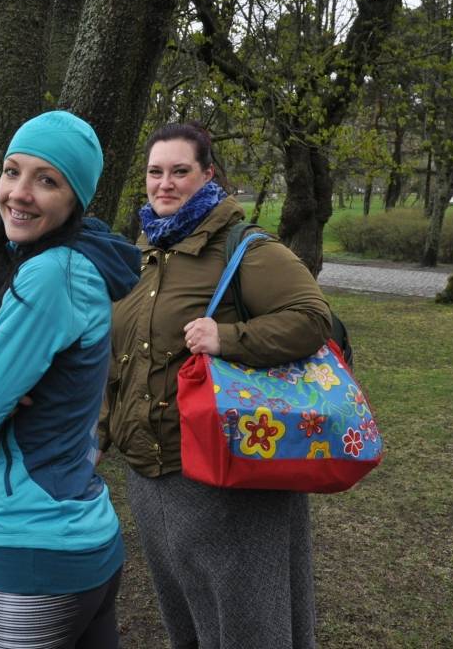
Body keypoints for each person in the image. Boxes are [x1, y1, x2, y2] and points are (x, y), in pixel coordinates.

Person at [99, 122, 333, 649]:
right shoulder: (146, 254)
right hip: (153, 477)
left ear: (208, 174)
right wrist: (103, 430)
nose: (165, 183)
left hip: (227, 478)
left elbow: (311, 317)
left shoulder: (244, 247)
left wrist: (228, 338)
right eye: (155, 172)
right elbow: (123, 357)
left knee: (246, 627)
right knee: (187, 619)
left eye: (180, 171)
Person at [0, 110, 141, 649]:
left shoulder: (51, 274)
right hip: (88, 539)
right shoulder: (81, 263)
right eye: (13, 171)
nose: (20, 192)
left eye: (47, 179)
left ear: (75, 198)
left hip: (37, 550)